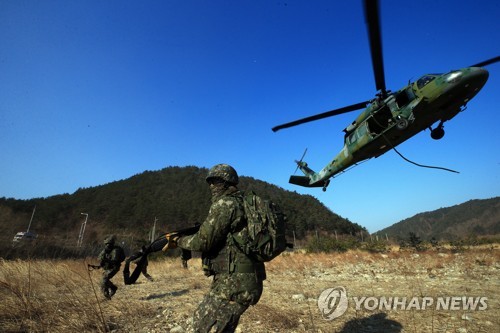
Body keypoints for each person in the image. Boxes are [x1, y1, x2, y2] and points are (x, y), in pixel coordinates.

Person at [163, 164, 266, 333]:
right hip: (242, 281)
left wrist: (178, 241)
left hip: (234, 285)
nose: (211, 186)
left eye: (216, 181)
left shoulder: (225, 204)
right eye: (210, 182)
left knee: (200, 326)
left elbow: (202, 242)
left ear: (227, 182)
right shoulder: (244, 203)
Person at [98, 234, 125, 299]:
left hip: (114, 267)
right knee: (103, 281)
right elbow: (100, 257)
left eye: (109, 244)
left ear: (112, 243)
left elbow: (114, 261)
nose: (108, 245)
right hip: (107, 267)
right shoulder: (106, 250)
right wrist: (101, 261)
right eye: (106, 244)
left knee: (104, 280)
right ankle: (112, 288)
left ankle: (107, 296)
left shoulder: (116, 250)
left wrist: (106, 260)